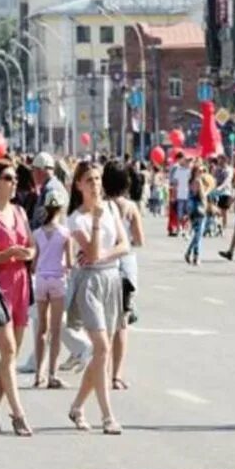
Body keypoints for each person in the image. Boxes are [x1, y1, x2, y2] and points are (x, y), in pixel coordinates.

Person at [65, 161, 130, 435]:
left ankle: (78, 405)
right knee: (102, 347)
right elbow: (89, 253)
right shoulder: (76, 219)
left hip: (111, 278)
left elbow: (125, 245)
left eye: (98, 179)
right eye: (89, 180)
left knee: (102, 352)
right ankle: (107, 415)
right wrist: (94, 223)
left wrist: (104, 254)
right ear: (79, 185)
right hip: (89, 283)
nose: (95, 185)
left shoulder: (112, 208)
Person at [0, 160, 34, 435]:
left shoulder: (21, 212)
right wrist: (9, 252)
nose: (13, 183)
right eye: (8, 178)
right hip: (0, 287)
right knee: (9, 351)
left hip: (22, 283)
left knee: (10, 355)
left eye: (14, 179)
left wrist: (28, 254)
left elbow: (32, 246)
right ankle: (18, 414)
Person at [103, 160, 144, 389]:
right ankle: (116, 375)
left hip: (104, 265)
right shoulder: (130, 208)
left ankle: (101, 370)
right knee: (122, 322)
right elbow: (139, 239)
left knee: (104, 322)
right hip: (126, 266)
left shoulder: (100, 205)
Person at [32, 190, 72, 390]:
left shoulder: (37, 233)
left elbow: (34, 261)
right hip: (57, 279)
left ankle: (38, 373)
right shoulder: (65, 233)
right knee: (55, 331)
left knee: (41, 328)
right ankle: (52, 374)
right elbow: (70, 262)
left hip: (41, 279)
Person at [184, 161, 212, 265]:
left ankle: (189, 253)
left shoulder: (191, 180)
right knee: (199, 234)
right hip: (199, 209)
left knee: (197, 233)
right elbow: (202, 195)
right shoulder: (197, 181)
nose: (202, 172)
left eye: (203, 171)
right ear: (195, 171)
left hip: (193, 209)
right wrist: (208, 189)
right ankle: (195, 256)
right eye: (200, 171)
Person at [167, 155, 191, 237]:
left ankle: (186, 228)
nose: (188, 163)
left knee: (187, 213)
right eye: (187, 161)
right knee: (179, 213)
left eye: (189, 161)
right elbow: (175, 184)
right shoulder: (179, 171)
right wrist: (173, 195)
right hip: (180, 195)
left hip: (188, 195)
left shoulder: (191, 172)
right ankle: (179, 228)